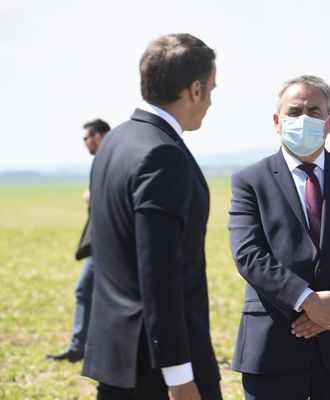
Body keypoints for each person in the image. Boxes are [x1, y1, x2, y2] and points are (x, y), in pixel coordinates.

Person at [228, 75, 330, 400]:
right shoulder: (250, 181)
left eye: (314, 112)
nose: (304, 120)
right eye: (294, 111)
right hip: (274, 344)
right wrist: (308, 302)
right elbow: (249, 254)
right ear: (277, 121)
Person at [82, 34, 221, 400]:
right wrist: (178, 376)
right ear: (194, 90)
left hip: (116, 357)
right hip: (159, 369)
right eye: (211, 89)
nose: (210, 101)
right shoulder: (162, 154)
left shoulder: (115, 141)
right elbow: (159, 272)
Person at [47, 118, 110, 363]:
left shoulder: (112, 157)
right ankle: (80, 347)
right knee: (86, 290)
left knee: (96, 292)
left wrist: (94, 197)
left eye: (86, 138)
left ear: (97, 136)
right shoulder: (107, 158)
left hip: (110, 241)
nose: (84, 144)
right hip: (101, 242)